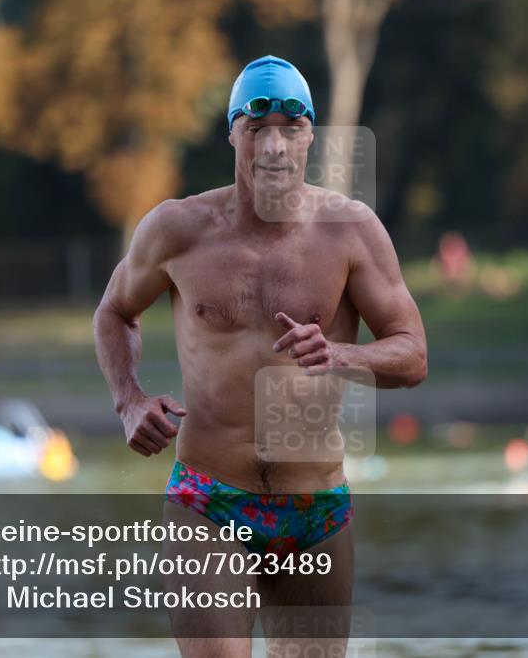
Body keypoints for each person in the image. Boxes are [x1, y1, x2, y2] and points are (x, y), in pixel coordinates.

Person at [94, 55, 427, 658]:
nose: (273, 146)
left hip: (317, 509)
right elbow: (115, 311)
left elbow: (413, 354)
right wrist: (129, 400)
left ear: (310, 136)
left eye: (289, 128)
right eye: (256, 128)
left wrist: (341, 354)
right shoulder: (178, 229)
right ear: (231, 133)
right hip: (210, 501)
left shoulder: (351, 231)